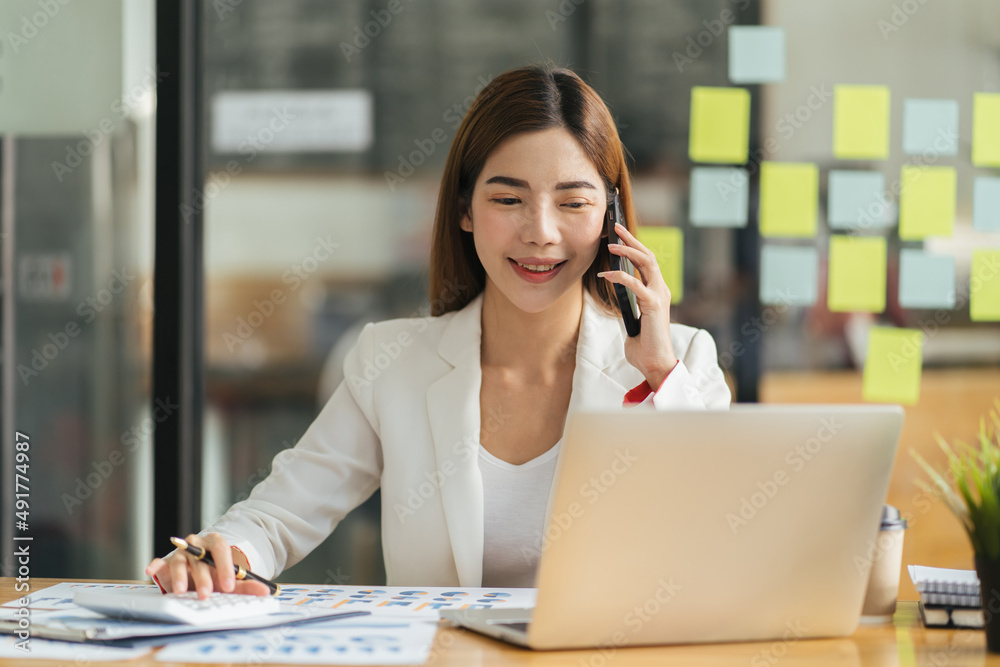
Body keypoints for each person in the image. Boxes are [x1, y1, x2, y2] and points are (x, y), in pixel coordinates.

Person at [146, 64, 731, 597]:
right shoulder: (390, 360)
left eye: (573, 203)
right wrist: (217, 555)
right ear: (465, 209)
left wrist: (660, 374)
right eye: (508, 198)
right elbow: (280, 515)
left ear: (612, 219)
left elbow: (723, 544)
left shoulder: (680, 365)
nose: (540, 232)